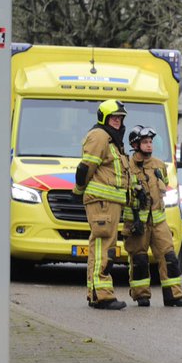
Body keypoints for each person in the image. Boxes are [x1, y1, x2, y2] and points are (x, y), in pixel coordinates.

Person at [123, 125, 182, 307]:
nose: (149, 145)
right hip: (137, 223)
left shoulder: (159, 165)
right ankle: (141, 296)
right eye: (145, 142)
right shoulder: (126, 167)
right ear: (135, 144)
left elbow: (165, 185)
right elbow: (121, 192)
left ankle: (173, 296)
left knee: (169, 256)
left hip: (159, 221)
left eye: (151, 142)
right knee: (139, 259)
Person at [72, 100, 129, 310]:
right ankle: (102, 295)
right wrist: (78, 190)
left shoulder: (112, 139)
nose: (118, 121)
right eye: (114, 118)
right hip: (102, 202)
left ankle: (96, 294)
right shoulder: (99, 136)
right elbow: (85, 166)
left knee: (104, 247)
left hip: (110, 202)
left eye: (120, 118)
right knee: (102, 246)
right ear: (104, 118)